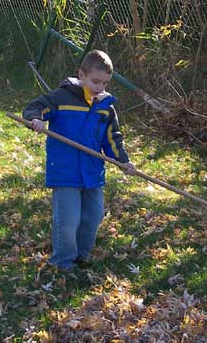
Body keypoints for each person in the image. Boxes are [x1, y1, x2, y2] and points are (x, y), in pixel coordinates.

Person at [23, 50, 136, 271]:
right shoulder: (61, 98)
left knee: (92, 217)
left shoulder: (106, 107)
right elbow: (34, 107)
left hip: (93, 172)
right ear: (81, 75)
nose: (99, 88)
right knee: (68, 221)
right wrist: (35, 119)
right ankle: (62, 262)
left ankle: (81, 256)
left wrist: (123, 161)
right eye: (95, 81)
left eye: (104, 83)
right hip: (65, 171)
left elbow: (112, 139)